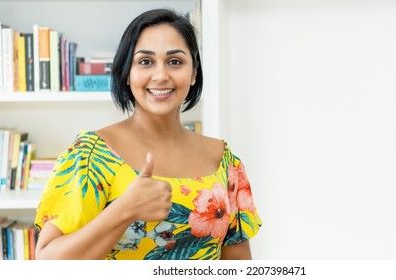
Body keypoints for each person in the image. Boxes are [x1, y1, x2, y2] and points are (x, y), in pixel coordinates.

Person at [33, 8, 262, 260]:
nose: (161, 75)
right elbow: (48, 261)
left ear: (194, 72)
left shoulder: (225, 161)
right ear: (127, 74)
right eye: (145, 61)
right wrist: (125, 209)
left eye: (175, 62)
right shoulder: (91, 154)